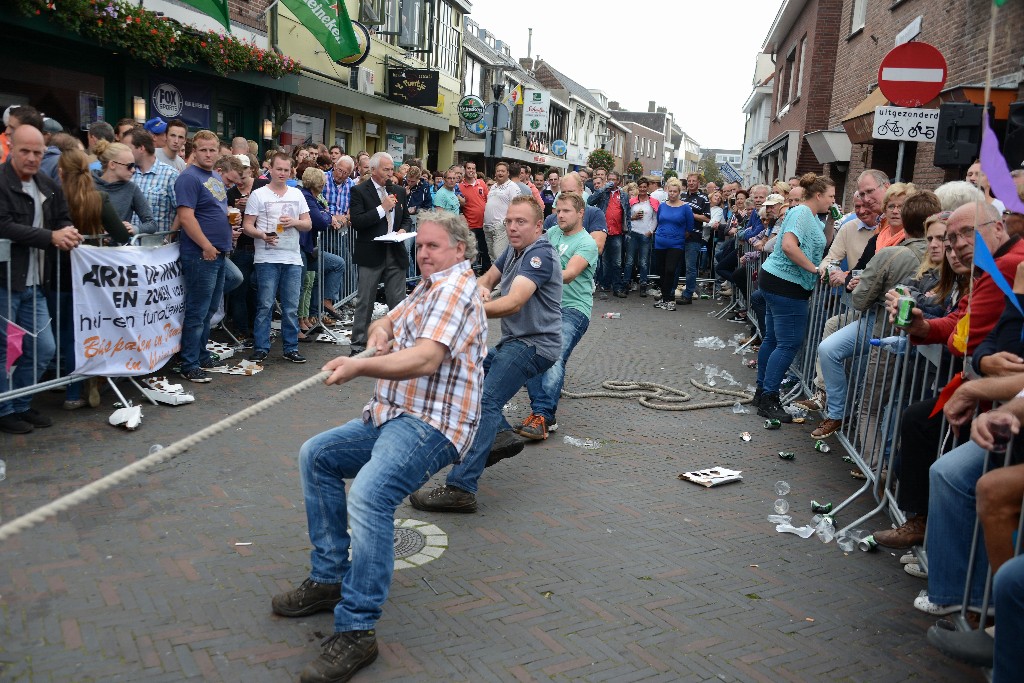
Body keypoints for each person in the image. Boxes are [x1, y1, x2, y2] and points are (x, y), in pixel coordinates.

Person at [274, 210, 486, 683]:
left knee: (370, 496)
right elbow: (391, 318)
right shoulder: (429, 285)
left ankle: (358, 630)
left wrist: (359, 366)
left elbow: (429, 358)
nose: (424, 253)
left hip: (430, 424)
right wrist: (380, 331)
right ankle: (329, 578)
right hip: (391, 415)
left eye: (433, 247)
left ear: (458, 249)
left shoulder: (454, 288)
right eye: (421, 245)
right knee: (318, 455)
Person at [410, 196, 561, 513]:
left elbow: (513, 302)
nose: (512, 227)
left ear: (538, 226)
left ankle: (461, 488)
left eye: (520, 222)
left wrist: (467, 309)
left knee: (485, 400)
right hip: (515, 341)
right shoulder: (514, 250)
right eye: (509, 221)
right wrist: (469, 292)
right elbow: (487, 280)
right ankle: (502, 435)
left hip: (533, 344)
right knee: (468, 378)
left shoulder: (540, 254)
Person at [0, 125, 80, 433]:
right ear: (11, 145)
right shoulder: (2, 182)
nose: (32, 158)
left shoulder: (47, 183)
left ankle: (21, 402)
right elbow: (4, 225)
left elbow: (63, 217)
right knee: (6, 350)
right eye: (25, 151)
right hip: (6, 281)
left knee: (44, 348)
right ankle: (6, 408)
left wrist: (68, 231)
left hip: (35, 282)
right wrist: (51, 236)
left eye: (38, 152)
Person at [49, 149, 132, 409]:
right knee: (85, 332)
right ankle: (78, 388)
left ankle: (66, 381)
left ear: (60, 172)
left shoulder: (52, 198)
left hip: (55, 274)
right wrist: (106, 235)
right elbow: (122, 236)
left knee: (62, 333)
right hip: (88, 278)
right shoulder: (98, 198)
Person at [514, 192, 597, 440]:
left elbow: (570, 274)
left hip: (573, 308)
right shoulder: (551, 235)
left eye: (566, 211)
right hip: (545, 307)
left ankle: (542, 415)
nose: (559, 215)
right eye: (557, 210)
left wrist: (536, 274)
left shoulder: (586, 242)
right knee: (529, 353)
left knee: (555, 353)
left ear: (580, 213)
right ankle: (541, 416)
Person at [754, 173, 833, 422]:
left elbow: (824, 241)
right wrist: (814, 268)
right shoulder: (800, 214)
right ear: (818, 195)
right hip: (787, 284)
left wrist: (832, 218)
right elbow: (789, 246)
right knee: (788, 343)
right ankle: (769, 397)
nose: (833, 200)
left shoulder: (810, 216)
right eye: (831, 197)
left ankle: (761, 391)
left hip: (777, 280)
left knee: (774, 338)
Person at [241, 153, 313, 364]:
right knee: (265, 304)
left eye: (286, 169)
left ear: (291, 171)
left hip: (292, 256)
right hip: (266, 256)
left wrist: (294, 222)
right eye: (278, 169)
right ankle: (261, 347)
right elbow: (247, 225)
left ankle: (290, 348)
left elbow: (307, 224)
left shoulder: (297, 194)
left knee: (291, 306)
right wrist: (263, 235)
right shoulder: (258, 195)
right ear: (270, 169)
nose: (282, 173)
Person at [174, 130, 233, 383]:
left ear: (218, 151)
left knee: (209, 309)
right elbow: (186, 217)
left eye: (212, 150)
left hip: (218, 253)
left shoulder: (215, 177)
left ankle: (200, 353)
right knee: (197, 311)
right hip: (200, 254)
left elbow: (215, 210)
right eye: (203, 150)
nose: (208, 154)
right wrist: (206, 245)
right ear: (194, 151)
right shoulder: (188, 178)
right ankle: (189, 363)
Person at [348, 152, 409, 356]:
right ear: (373, 170)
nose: (390, 173)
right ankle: (358, 345)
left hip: (395, 251)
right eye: (386, 169)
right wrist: (382, 209)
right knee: (365, 301)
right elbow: (358, 222)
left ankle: (397, 343)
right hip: (371, 253)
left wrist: (402, 230)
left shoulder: (398, 190)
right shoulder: (359, 191)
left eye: (392, 169)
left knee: (398, 302)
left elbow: (406, 218)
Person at [297, 166, 345, 338]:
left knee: (322, 273)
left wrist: (326, 214)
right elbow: (320, 220)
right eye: (323, 183)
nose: (325, 186)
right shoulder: (306, 197)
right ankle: (299, 321)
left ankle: (316, 310)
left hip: (309, 249)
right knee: (303, 284)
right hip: (302, 248)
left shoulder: (314, 198)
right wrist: (328, 216)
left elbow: (322, 215)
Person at [120, 128, 178, 234]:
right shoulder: (126, 173)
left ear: (141, 148)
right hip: (129, 245)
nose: (123, 153)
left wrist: (169, 238)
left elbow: (181, 212)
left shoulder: (170, 175)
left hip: (158, 246)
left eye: (127, 149)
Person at [588, 169, 631, 299]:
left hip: (617, 232)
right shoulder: (603, 193)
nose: (612, 182)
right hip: (603, 231)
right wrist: (603, 189)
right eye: (610, 179)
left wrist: (628, 230)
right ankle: (605, 284)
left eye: (614, 179)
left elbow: (627, 214)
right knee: (605, 261)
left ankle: (617, 287)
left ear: (619, 181)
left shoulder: (623, 195)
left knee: (617, 261)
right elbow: (590, 201)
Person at [653, 177, 694, 311]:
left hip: (676, 244)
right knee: (662, 271)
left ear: (679, 192)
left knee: (670, 270)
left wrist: (678, 236)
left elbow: (689, 227)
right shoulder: (662, 206)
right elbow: (659, 220)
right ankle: (664, 299)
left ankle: (669, 299)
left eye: (674, 191)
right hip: (660, 242)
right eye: (670, 191)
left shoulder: (685, 208)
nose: (672, 194)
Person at [482, 162, 521, 267]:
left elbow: (516, 206)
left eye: (502, 171)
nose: (500, 173)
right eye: (498, 171)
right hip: (488, 227)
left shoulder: (512, 187)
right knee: (492, 257)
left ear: (508, 173)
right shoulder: (493, 186)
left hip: (501, 228)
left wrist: (506, 222)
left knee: (499, 258)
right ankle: (496, 282)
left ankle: (502, 282)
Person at [625, 177, 658, 297]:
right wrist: (633, 217)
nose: (643, 189)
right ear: (638, 188)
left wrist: (650, 231)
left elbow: (655, 218)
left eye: (645, 187)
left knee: (643, 262)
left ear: (648, 187)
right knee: (629, 262)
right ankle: (626, 283)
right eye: (641, 187)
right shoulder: (632, 201)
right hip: (633, 233)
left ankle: (643, 285)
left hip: (645, 234)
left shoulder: (653, 202)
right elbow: (626, 217)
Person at [459, 160, 490, 271]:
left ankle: (486, 271)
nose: (471, 171)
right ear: (465, 169)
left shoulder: (481, 183)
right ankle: (469, 273)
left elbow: (488, 200)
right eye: (469, 168)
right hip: (470, 225)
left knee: (484, 250)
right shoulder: (460, 187)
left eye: (473, 168)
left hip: (483, 223)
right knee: (470, 251)